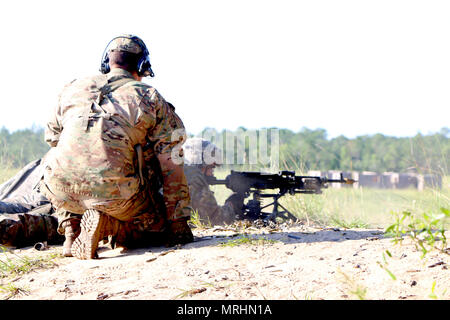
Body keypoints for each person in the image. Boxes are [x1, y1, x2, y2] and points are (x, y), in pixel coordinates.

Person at [37, 34, 192, 259]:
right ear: (142, 66)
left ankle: (71, 229)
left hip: (62, 193)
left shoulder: (72, 87)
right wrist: (178, 224)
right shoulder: (148, 96)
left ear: (106, 62)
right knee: (156, 225)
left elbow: (53, 138)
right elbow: (171, 162)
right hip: (117, 197)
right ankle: (110, 227)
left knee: (60, 155)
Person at [183, 138, 245, 225]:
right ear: (201, 164)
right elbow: (213, 219)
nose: (212, 173)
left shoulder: (177, 173)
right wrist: (231, 206)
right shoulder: (194, 178)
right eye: (211, 167)